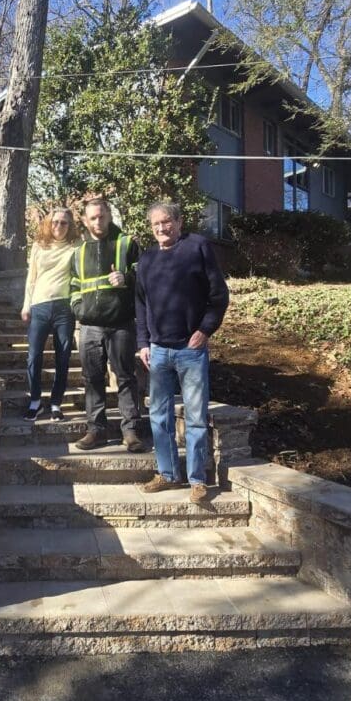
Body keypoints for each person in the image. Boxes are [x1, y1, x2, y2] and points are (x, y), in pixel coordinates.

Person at [135, 201, 230, 501]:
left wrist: (205, 330)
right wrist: (143, 343)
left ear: (178, 222)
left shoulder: (197, 247)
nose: (162, 228)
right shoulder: (147, 259)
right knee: (158, 417)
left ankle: (197, 480)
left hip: (191, 348)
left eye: (167, 222)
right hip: (158, 350)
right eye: (156, 224)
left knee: (196, 416)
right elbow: (140, 304)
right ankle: (166, 474)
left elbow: (219, 295)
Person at [69, 197, 145, 452]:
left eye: (102, 216)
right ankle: (96, 430)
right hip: (89, 326)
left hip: (121, 323)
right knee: (92, 378)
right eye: (92, 217)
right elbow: (73, 285)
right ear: (85, 220)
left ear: (109, 215)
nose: (98, 221)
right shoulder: (78, 251)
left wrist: (127, 278)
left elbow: (144, 275)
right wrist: (79, 309)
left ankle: (130, 431)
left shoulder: (126, 243)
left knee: (125, 377)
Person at [21, 207, 81, 421]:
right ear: (49, 223)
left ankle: (56, 403)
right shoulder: (39, 246)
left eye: (64, 222)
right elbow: (31, 278)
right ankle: (35, 401)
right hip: (39, 306)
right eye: (55, 222)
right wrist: (26, 305)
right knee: (34, 356)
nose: (59, 226)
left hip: (64, 309)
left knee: (63, 357)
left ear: (70, 225)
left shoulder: (76, 245)